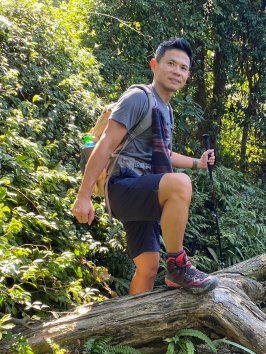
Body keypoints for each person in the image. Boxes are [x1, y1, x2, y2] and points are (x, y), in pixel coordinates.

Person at [72, 37, 219, 296]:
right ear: (155, 65)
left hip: (143, 189)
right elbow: (105, 144)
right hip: (122, 186)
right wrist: (84, 196)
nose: (177, 71)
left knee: (149, 267)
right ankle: (178, 265)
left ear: (187, 75)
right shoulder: (138, 98)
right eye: (171, 63)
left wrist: (198, 162)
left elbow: (163, 154)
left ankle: (131, 326)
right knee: (180, 184)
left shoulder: (166, 110)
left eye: (183, 68)